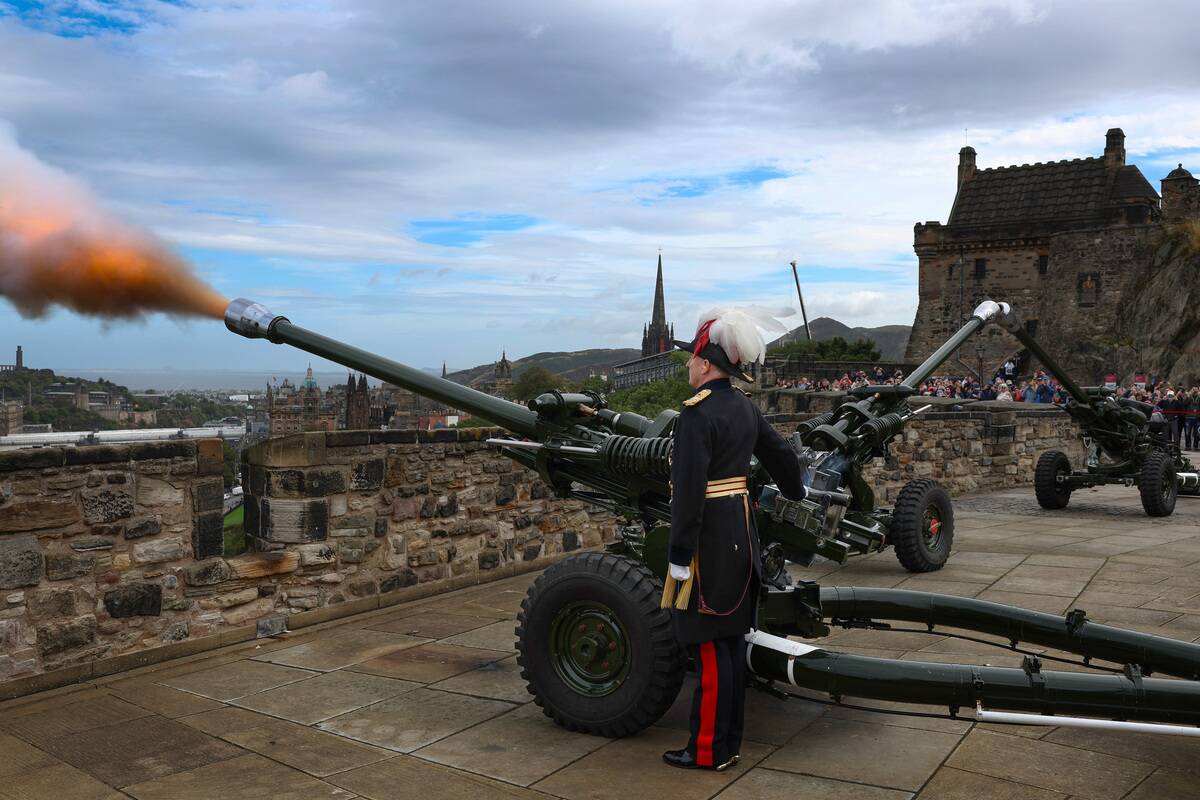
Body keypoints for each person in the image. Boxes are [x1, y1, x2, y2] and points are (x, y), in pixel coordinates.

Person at [660, 307, 807, 772]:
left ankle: (706, 750)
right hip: (742, 530)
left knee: (707, 646)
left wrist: (679, 555)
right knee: (729, 644)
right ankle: (728, 745)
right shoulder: (744, 406)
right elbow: (780, 452)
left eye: (691, 359)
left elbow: (688, 492)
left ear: (706, 364)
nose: (687, 366)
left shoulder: (696, 415)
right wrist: (796, 489)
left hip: (708, 539)